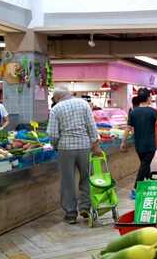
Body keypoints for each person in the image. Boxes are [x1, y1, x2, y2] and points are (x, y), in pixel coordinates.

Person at [47, 87, 103, 224]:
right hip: (84, 146)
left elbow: (53, 134)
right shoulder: (84, 104)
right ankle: (85, 208)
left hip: (65, 148)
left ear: (57, 98)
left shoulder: (56, 109)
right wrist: (95, 144)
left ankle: (71, 214)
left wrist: (55, 146)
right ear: (69, 94)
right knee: (86, 178)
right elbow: (92, 127)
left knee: (68, 181)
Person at [121, 88, 157, 186]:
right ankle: (136, 188)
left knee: (145, 164)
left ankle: (148, 182)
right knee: (144, 165)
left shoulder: (133, 112)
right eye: (150, 96)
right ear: (148, 98)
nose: (151, 98)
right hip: (150, 145)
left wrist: (123, 142)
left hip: (138, 145)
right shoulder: (153, 112)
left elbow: (128, 129)